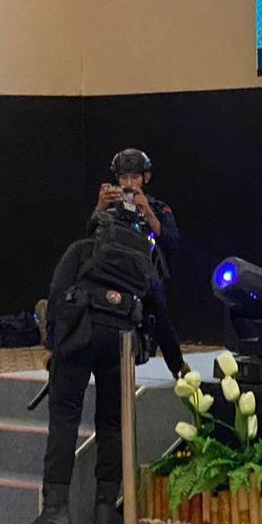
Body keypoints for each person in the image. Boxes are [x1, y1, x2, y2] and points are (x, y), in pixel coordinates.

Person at [15, 208, 158, 524]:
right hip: (121, 343)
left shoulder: (81, 250)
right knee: (112, 424)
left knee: (64, 419)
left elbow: (56, 293)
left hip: (79, 337)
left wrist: (53, 345)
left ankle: (55, 512)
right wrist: (176, 362)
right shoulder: (140, 259)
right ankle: (105, 510)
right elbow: (156, 307)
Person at [93, 148, 187, 378]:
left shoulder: (158, 207)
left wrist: (148, 213)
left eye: (134, 177)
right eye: (123, 177)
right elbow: (88, 239)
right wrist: (99, 208)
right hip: (111, 272)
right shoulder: (110, 207)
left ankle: (178, 366)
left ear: (145, 178)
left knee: (154, 294)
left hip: (143, 274)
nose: (128, 184)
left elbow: (171, 242)